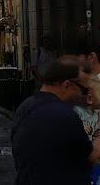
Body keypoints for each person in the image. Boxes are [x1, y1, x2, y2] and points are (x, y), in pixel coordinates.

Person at [12, 55, 100, 185]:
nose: (84, 95)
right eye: (83, 89)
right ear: (66, 86)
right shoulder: (65, 116)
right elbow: (93, 158)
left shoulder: (25, 106)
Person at [74, 76, 100, 185]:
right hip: (81, 156)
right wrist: (81, 128)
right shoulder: (78, 111)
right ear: (90, 99)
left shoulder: (97, 114)